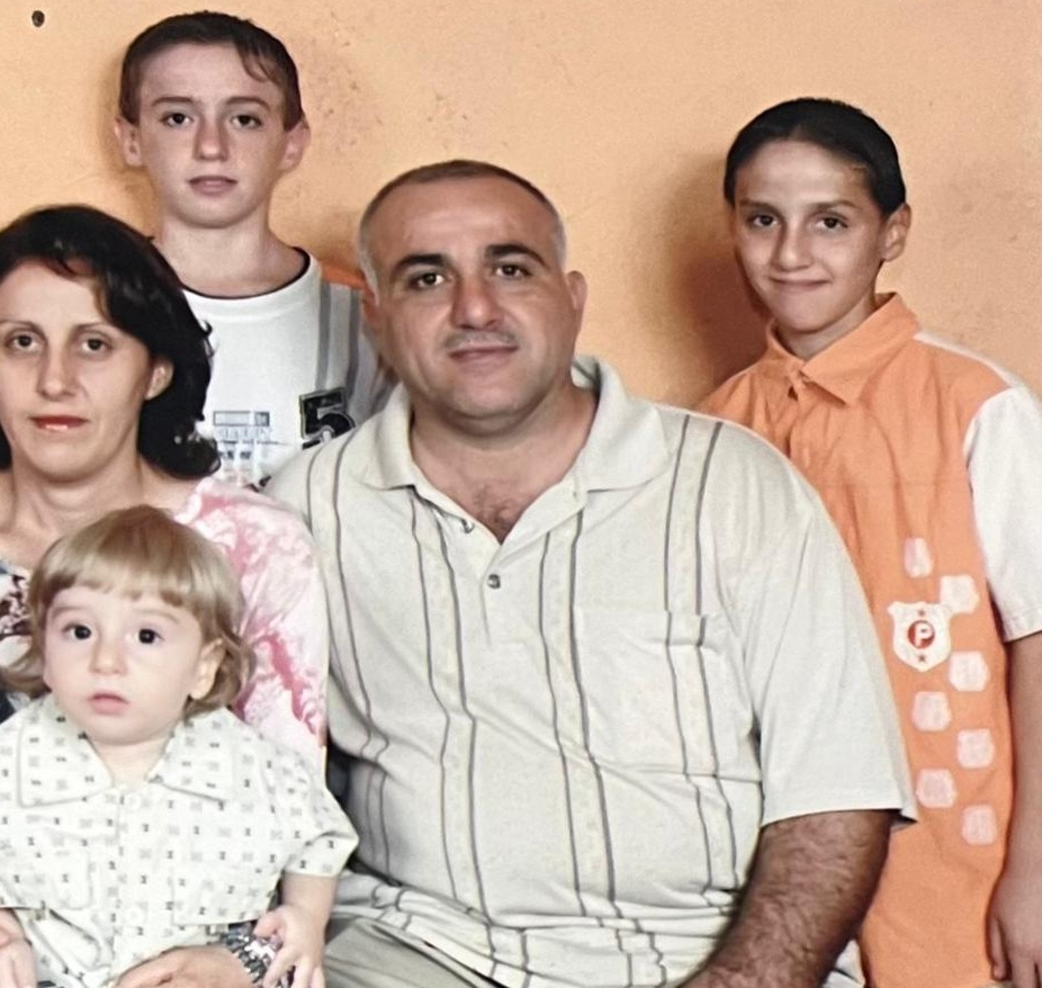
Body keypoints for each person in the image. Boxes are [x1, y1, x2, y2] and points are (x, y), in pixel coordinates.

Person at [269, 160, 916, 987]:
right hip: (416, 953)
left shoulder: (732, 483)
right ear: (377, 317)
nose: (474, 308)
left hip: (710, 953)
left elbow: (837, 790)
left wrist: (742, 982)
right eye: (427, 278)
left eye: (510, 268)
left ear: (573, 299)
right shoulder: (308, 508)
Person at [0, 204, 328, 988]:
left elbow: (291, 808)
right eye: (21, 342)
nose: (55, 381)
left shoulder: (253, 544)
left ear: (157, 369)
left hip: (187, 959)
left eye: (95, 345)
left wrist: (236, 960)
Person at [699, 97, 1042, 988]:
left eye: (832, 222)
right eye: (762, 219)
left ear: (893, 233)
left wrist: (1034, 872)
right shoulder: (709, 432)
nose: (791, 253)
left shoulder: (979, 406)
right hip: (772, 867)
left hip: (960, 860)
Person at [0, 505, 356, 988]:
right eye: (79, 632)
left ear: (203, 666)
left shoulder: (260, 770)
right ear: (45, 651)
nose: (106, 660)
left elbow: (318, 842)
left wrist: (305, 919)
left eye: (146, 636)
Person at [114, 11, 389, 488]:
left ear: (292, 143)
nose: (211, 147)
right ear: (132, 139)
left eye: (244, 119)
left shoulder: (369, 321)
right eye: (178, 118)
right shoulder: (88, 311)